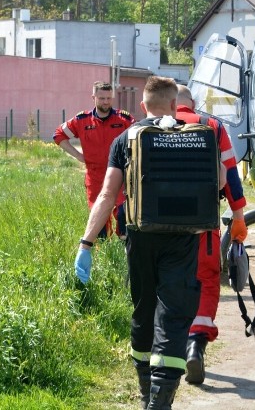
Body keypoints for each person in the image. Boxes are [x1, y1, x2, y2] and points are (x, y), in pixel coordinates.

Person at [75, 76, 217, 410]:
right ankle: (160, 398)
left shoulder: (126, 138)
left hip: (139, 237)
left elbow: (108, 194)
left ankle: (144, 390)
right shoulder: (198, 137)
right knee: (175, 315)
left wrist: (86, 243)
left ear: (142, 106)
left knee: (143, 310)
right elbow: (220, 181)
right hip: (183, 240)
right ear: (173, 105)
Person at [174, 85, 248, 385]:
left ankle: (165, 349)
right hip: (202, 222)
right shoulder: (212, 126)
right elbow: (230, 173)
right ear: (193, 103)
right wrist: (239, 214)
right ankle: (195, 343)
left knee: (166, 282)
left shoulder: (149, 126)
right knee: (206, 281)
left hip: (157, 226)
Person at [54, 81, 134, 238]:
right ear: (93, 98)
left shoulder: (123, 119)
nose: (106, 102)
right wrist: (78, 156)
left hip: (119, 174)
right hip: (95, 176)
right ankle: (104, 251)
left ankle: (124, 249)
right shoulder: (81, 120)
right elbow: (58, 135)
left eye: (109, 98)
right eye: (101, 98)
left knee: (123, 214)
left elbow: (138, 134)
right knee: (99, 220)